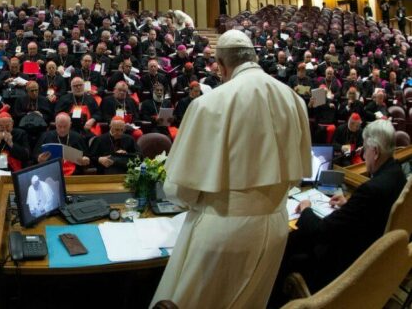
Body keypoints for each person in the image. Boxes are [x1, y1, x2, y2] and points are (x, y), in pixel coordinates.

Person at [150, 29, 312, 308]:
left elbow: (179, 189)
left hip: (225, 229)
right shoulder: (294, 99)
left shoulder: (208, 103)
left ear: (222, 66)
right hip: (276, 225)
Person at [272, 119, 406, 305]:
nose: (363, 154)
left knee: (293, 244)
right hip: (369, 250)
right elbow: (369, 211)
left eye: (364, 149)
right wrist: (348, 204)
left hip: (343, 263)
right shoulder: (397, 175)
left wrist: (306, 209)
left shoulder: (371, 189)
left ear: (375, 152)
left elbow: (323, 231)